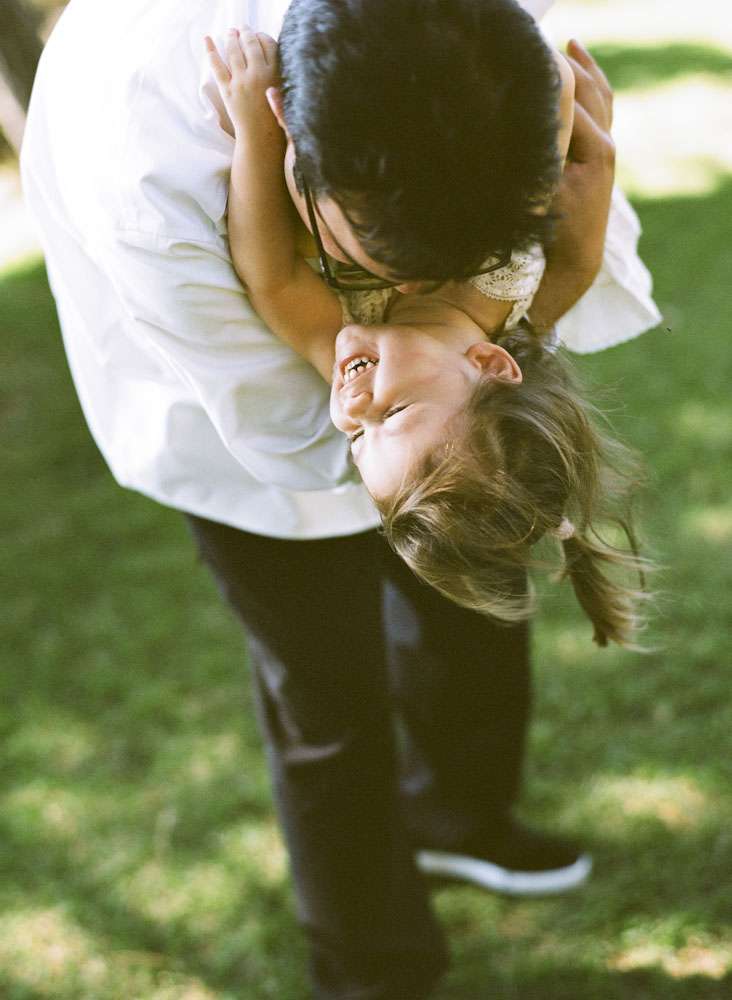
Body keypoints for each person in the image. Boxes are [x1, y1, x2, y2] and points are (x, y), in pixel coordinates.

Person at [20, 1, 660, 996]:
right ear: (303, 157)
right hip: (221, 409)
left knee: (468, 592)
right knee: (324, 690)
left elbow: (307, 301)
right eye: (379, 411)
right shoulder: (148, 148)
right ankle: (372, 965)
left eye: (361, 428)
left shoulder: (489, 82)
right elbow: (276, 300)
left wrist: (578, 182)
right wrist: (254, 128)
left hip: (450, 412)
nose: (348, 404)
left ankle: (457, 816)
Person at [205, 24, 648, 648]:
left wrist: (256, 133)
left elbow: (272, 277)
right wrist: (578, 127)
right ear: (490, 363)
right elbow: (568, 141)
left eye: (358, 438)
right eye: (394, 413)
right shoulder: (529, 284)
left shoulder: (347, 338)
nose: (354, 406)